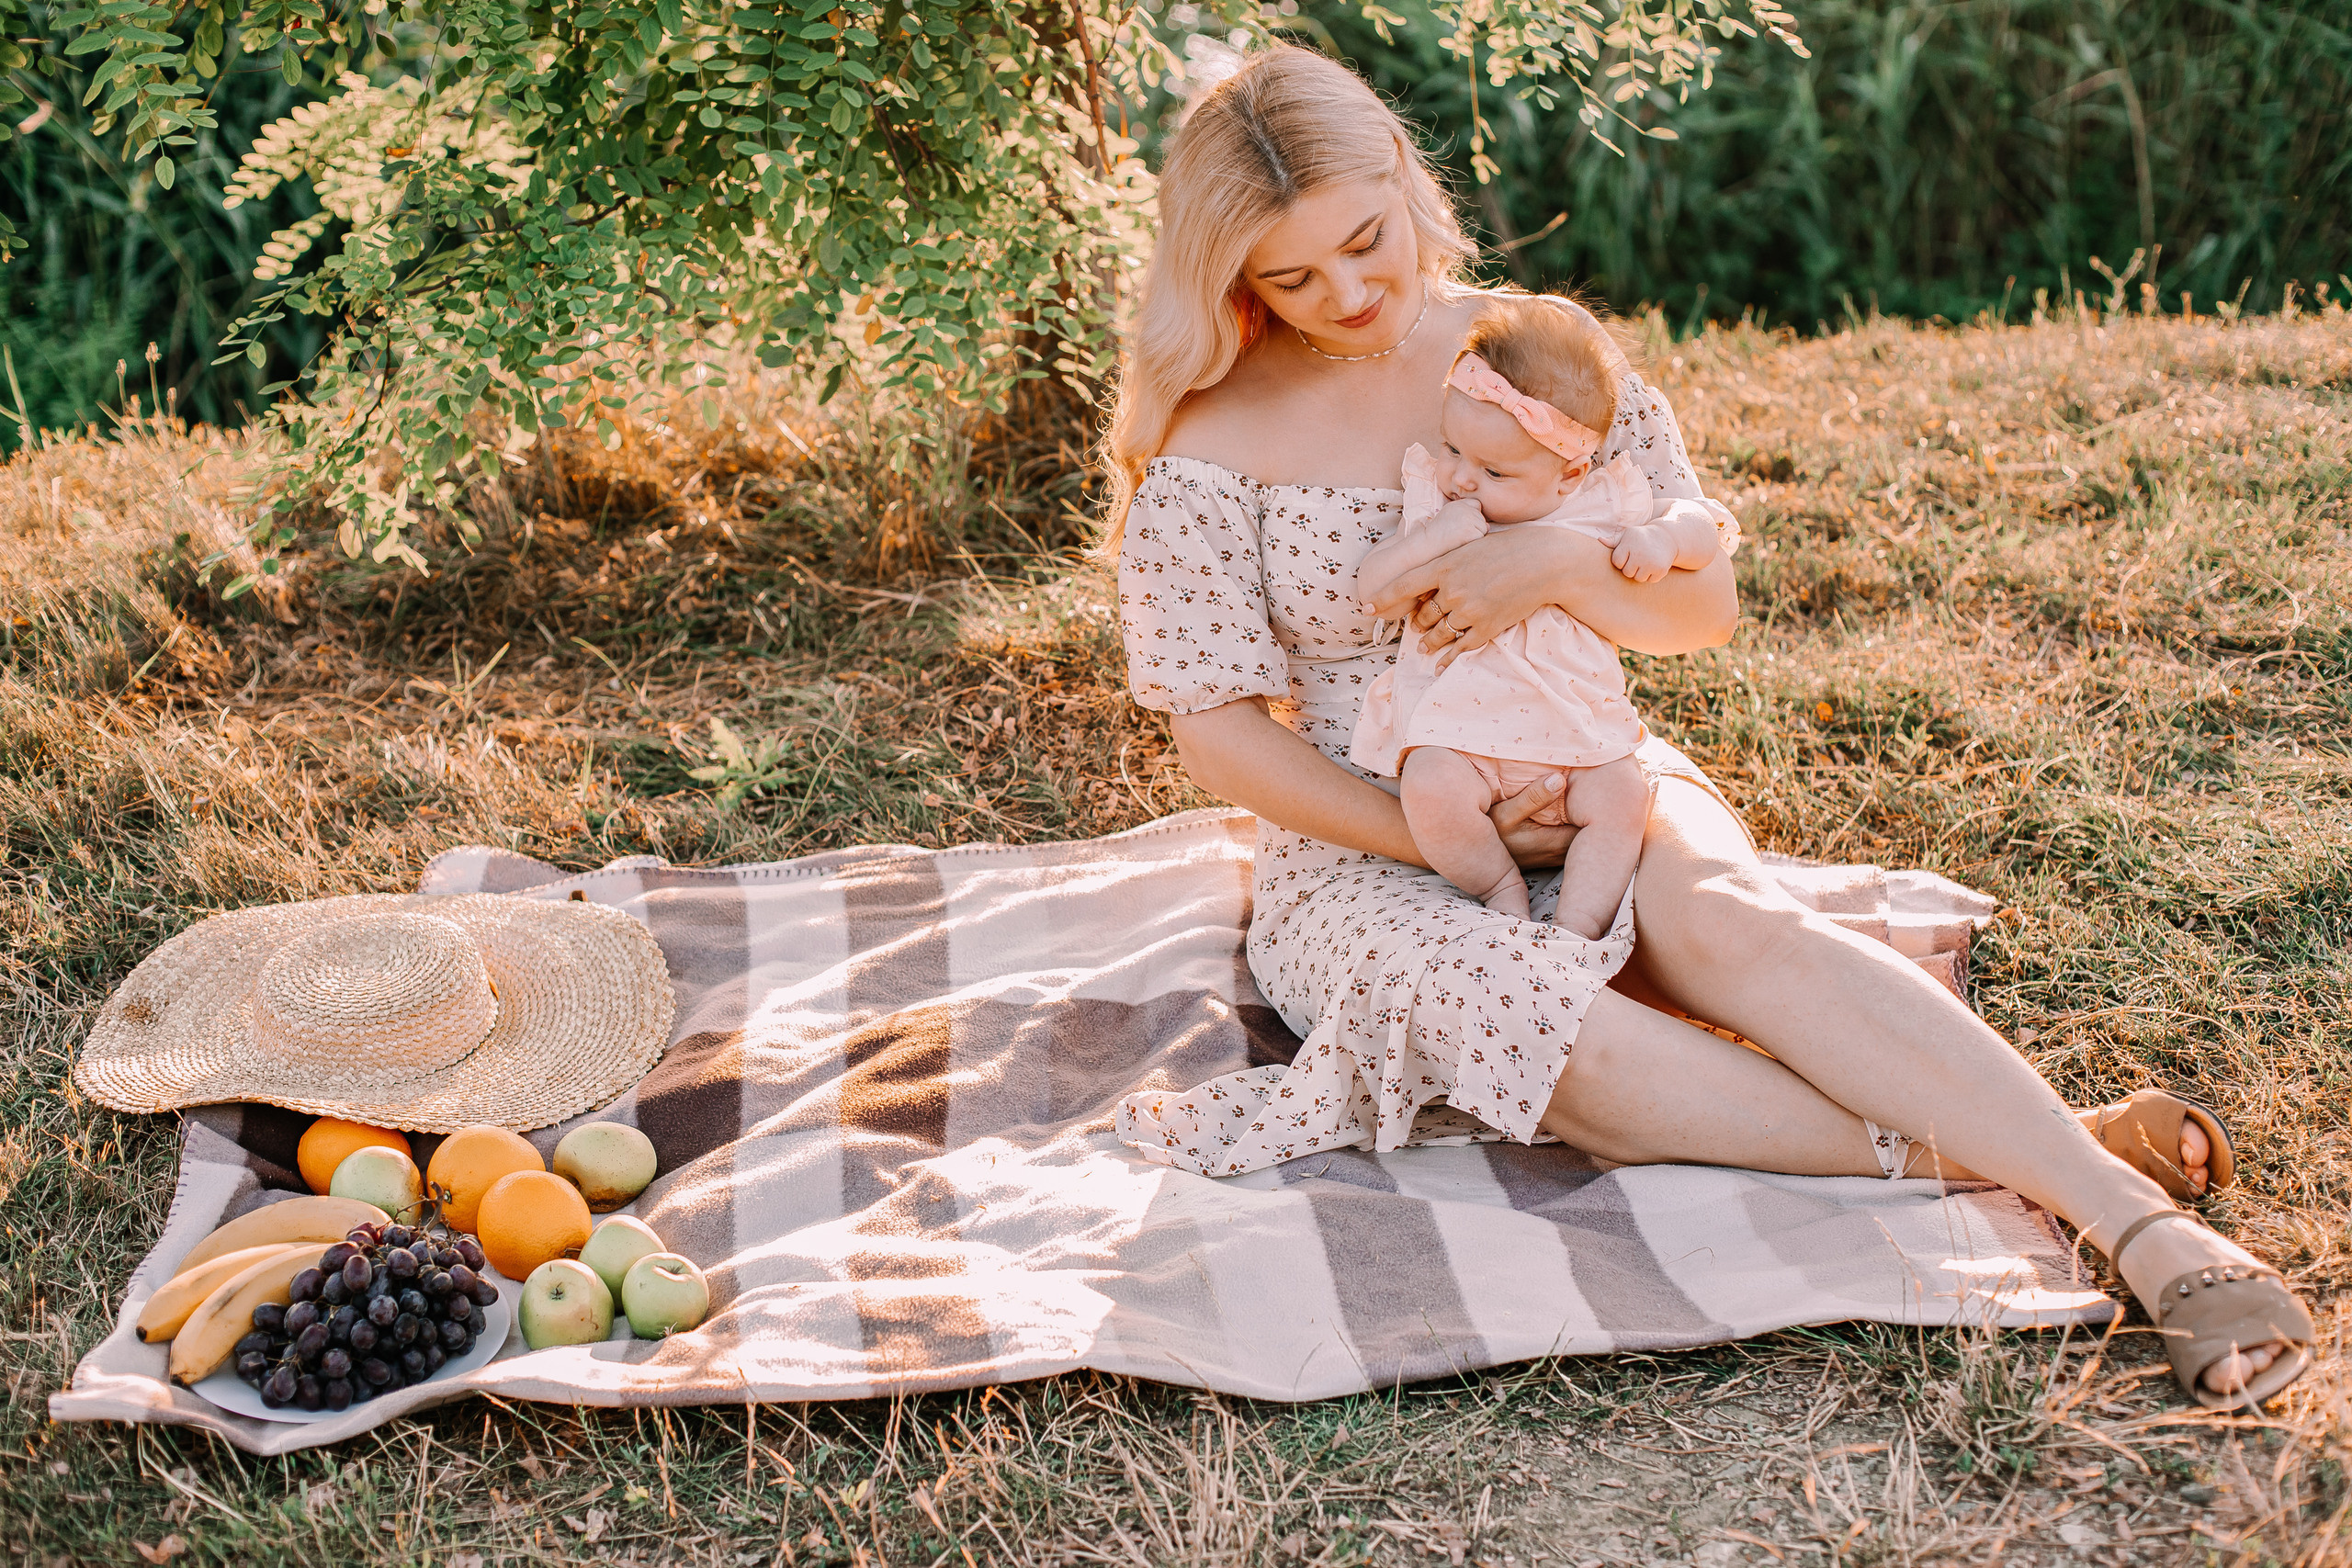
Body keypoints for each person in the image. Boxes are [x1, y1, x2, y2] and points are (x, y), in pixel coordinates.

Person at [1103, 43, 2310, 1410]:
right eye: (1292, 278)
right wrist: (1427, 835)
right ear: (1231, 280)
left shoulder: (1531, 355)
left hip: (1581, 760)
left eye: (1365, 244)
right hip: (1363, 827)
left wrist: (1551, 568)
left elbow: (1700, 604)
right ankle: (2051, 1153)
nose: (1351, 296)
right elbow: (1219, 736)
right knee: (1536, 1022)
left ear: (1399, 172)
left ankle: (2144, 1228)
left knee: (1735, 920)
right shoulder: (1211, 433)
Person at [1350, 295, 1732, 935]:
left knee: (1623, 798)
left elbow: (1703, 525)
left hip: (1578, 734)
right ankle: (1499, 886)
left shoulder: (1597, 503)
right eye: (1453, 450)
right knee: (1428, 788)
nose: (1462, 479)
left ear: (1569, 472)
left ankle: (1577, 927)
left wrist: (1663, 540)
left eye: (1494, 469)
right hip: (1461, 733)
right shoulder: (1441, 504)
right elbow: (1374, 587)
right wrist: (1429, 538)